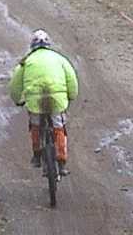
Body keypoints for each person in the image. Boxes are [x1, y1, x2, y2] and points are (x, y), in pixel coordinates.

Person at [9, 29, 78, 176]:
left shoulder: (26, 61)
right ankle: (62, 161)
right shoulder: (59, 58)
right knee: (59, 127)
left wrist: (17, 100)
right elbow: (72, 79)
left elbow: (15, 84)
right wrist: (71, 95)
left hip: (35, 100)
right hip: (57, 100)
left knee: (35, 125)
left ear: (32, 46)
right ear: (48, 45)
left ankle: (37, 155)